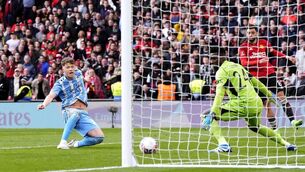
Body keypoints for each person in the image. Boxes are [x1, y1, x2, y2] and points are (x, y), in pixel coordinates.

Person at [201, 50, 297, 152]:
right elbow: (256, 82)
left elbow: (219, 95)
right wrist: (270, 95)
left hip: (242, 104)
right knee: (255, 127)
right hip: (256, 103)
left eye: (214, 58)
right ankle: (287, 144)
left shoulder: (221, 72)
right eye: (211, 59)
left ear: (223, 57)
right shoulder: (237, 66)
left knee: (205, 115)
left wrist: (213, 112)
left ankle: (223, 145)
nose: (211, 61)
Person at [239, 25, 302, 129]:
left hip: (270, 74)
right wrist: (259, 61)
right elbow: (244, 63)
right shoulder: (243, 47)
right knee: (267, 105)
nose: (250, 35)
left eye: (253, 33)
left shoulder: (263, 43)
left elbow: (273, 52)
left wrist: (286, 57)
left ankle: (293, 121)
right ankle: (275, 129)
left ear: (257, 33)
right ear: (246, 34)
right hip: (256, 79)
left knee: (282, 97)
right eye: (249, 33)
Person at [37, 57, 104, 149]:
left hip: (83, 112)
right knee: (76, 114)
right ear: (63, 68)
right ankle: (63, 142)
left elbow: (83, 79)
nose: (71, 69)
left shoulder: (79, 73)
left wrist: (86, 79)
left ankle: (76, 144)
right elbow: (51, 95)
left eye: (72, 66)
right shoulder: (60, 83)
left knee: (99, 138)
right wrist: (44, 104)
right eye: (68, 67)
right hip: (69, 111)